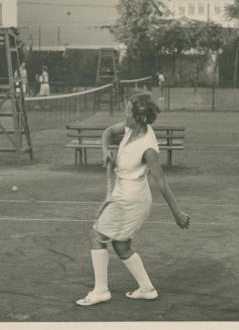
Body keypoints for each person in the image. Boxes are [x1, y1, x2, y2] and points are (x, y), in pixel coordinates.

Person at [76, 93, 191, 307]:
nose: (124, 114)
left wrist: (177, 213)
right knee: (121, 245)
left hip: (132, 199)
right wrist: (105, 151)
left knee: (96, 235)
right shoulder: (130, 127)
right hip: (126, 194)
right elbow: (108, 132)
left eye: (127, 112)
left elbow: (162, 183)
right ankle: (146, 289)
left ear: (138, 117)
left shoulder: (148, 149)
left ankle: (100, 291)